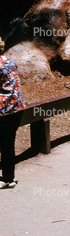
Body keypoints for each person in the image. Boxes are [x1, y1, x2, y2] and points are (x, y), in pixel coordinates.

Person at [0, 37, 26, 189]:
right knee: (8, 143)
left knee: (5, 144)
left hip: (4, 109)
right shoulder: (9, 61)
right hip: (17, 108)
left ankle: (7, 179)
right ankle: (9, 177)